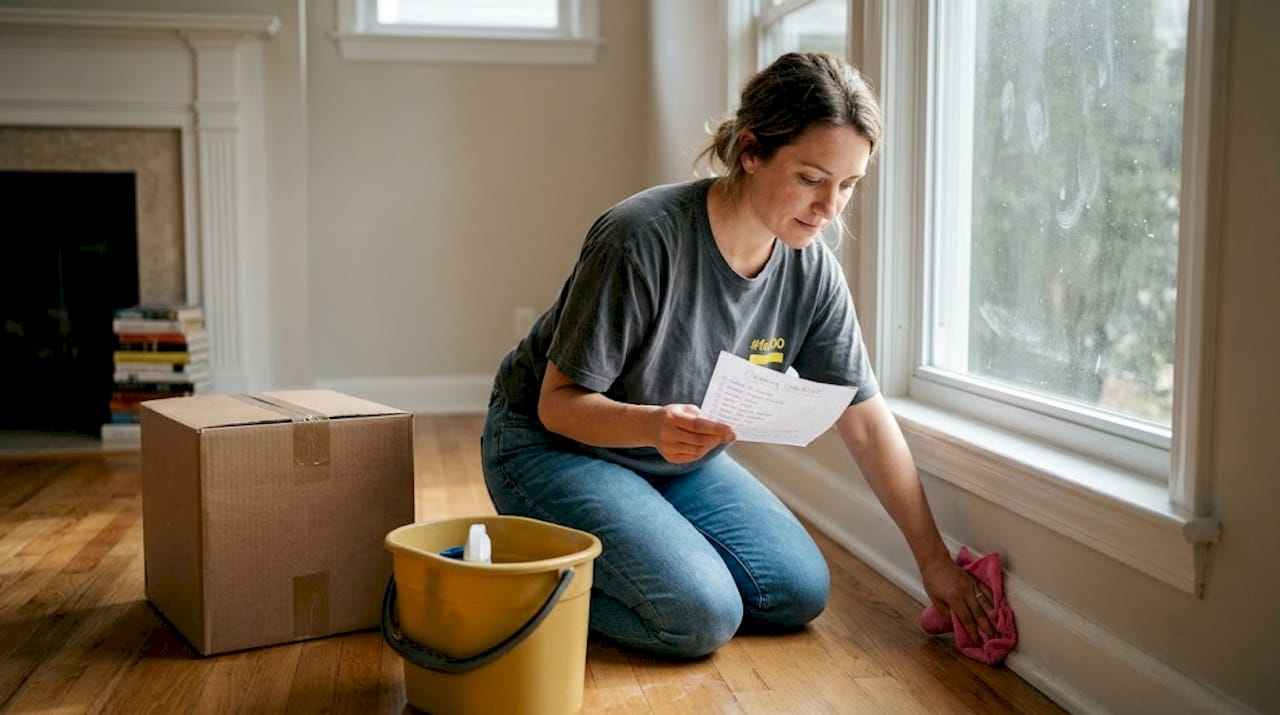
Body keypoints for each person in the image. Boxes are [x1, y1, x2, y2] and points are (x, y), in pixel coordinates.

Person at [480, 51, 996, 659]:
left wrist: (933, 564)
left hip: (673, 461)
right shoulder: (640, 238)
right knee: (701, 616)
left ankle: (636, 543)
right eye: (811, 178)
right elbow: (557, 404)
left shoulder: (811, 271)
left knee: (797, 591)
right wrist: (652, 425)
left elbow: (865, 420)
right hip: (550, 446)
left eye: (849, 185)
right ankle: (505, 583)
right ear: (751, 151)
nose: (831, 209)